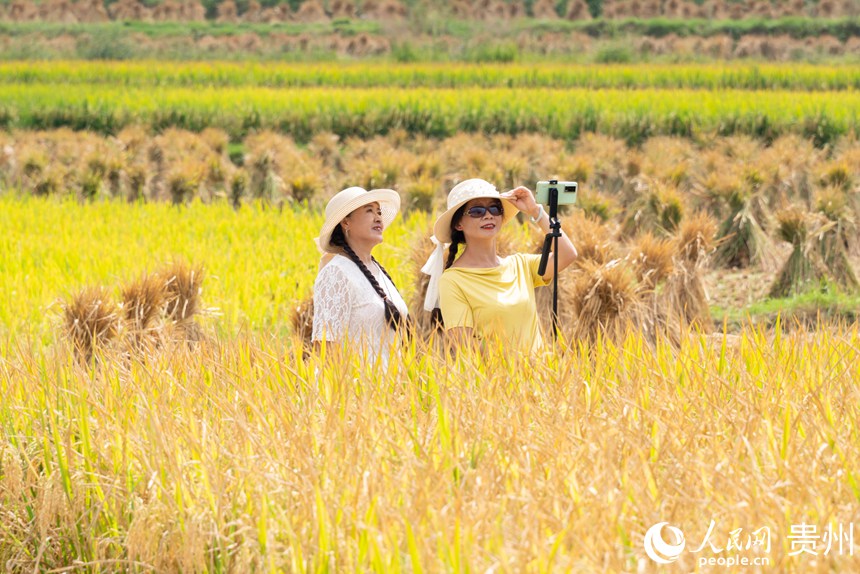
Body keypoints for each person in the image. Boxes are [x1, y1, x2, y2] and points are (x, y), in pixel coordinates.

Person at [422, 178, 577, 351]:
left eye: (494, 209)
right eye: (477, 211)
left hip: (537, 376)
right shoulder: (453, 280)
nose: (488, 215)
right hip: (498, 376)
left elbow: (567, 254)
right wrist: (521, 361)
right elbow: (464, 344)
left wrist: (536, 212)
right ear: (459, 224)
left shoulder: (520, 265)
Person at [312, 186, 408, 364]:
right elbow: (326, 346)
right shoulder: (336, 273)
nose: (378, 217)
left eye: (379, 211)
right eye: (369, 211)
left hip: (391, 387)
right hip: (356, 387)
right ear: (346, 222)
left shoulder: (378, 271)